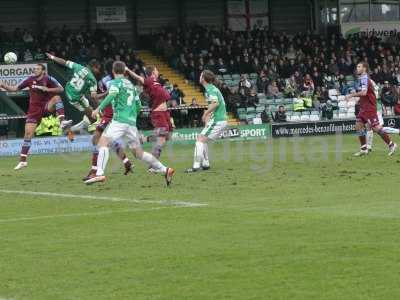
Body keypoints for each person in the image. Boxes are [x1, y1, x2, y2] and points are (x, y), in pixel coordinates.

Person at [85, 61, 174, 186]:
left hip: (120, 120)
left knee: (102, 143)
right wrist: (131, 116)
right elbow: (138, 105)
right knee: (139, 153)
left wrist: (98, 109)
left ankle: (99, 174)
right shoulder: (131, 85)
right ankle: (165, 170)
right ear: (125, 71)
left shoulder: (115, 83)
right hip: (131, 123)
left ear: (113, 71)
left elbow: (112, 95)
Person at [0, 64, 71, 170]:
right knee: (28, 135)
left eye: (38, 69)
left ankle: (62, 121)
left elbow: (60, 89)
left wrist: (47, 89)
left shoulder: (49, 78)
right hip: (34, 111)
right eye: (35, 69)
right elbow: (14, 89)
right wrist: (3, 85)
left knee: (57, 98)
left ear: (43, 71)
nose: (35, 70)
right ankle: (23, 161)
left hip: (46, 107)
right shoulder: (29, 80)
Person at [82, 60, 133, 181]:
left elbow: (111, 94)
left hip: (111, 114)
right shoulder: (103, 80)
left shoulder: (108, 81)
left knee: (96, 139)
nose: (96, 70)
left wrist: (98, 98)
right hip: (108, 113)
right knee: (108, 141)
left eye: (96, 68)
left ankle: (95, 170)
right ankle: (126, 162)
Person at [345, 62, 397, 157]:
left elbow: (364, 93)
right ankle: (364, 149)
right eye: (357, 66)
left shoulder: (365, 78)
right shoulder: (362, 78)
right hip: (364, 107)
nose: (357, 68)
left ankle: (392, 145)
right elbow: (365, 94)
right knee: (358, 125)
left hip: (369, 108)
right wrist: (358, 100)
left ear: (364, 68)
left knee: (376, 128)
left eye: (359, 66)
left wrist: (351, 95)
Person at [125, 65, 172, 164]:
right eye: (157, 69)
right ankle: (154, 164)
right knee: (161, 139)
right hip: (158, 114)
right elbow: (138, 78)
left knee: (167, 137)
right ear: (153, 72)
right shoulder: (149, 80)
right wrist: (128, 70)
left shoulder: (157, 82)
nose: (158, 71)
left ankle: (143, 139)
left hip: (165, 113)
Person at [186, 70, 228, 173]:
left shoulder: (210, 89)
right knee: (202, 139)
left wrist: (205, 113)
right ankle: (205, 164)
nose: (199, 77)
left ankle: (196, 166)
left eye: (200, 75)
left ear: (203, 79)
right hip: (218, 119)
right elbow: (213, 105)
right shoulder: (211, 89)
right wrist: (208, 119)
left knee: (199, 140)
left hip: (218, 120)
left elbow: (215, 104)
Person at [45, 53, 101, 128]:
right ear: (94, 67)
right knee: (91, 113)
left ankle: (87, 125)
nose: (98, 71)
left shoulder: (78, 66)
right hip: (75, 97)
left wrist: (52, 57)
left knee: (90, 111)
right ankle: (80, 128)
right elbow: (94, 97)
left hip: (69, 89)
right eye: (98, 69)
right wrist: (100, 108)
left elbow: (64, 62)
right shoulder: (92, 79)